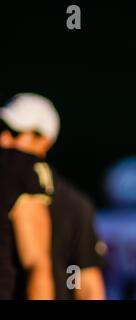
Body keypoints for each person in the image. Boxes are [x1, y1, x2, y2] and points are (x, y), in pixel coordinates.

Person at [0, 93, 105, 299]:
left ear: (44, 140)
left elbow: (87, 283)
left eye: (15, 132)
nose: (3, 138)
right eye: (1, 129)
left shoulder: (75, 205)